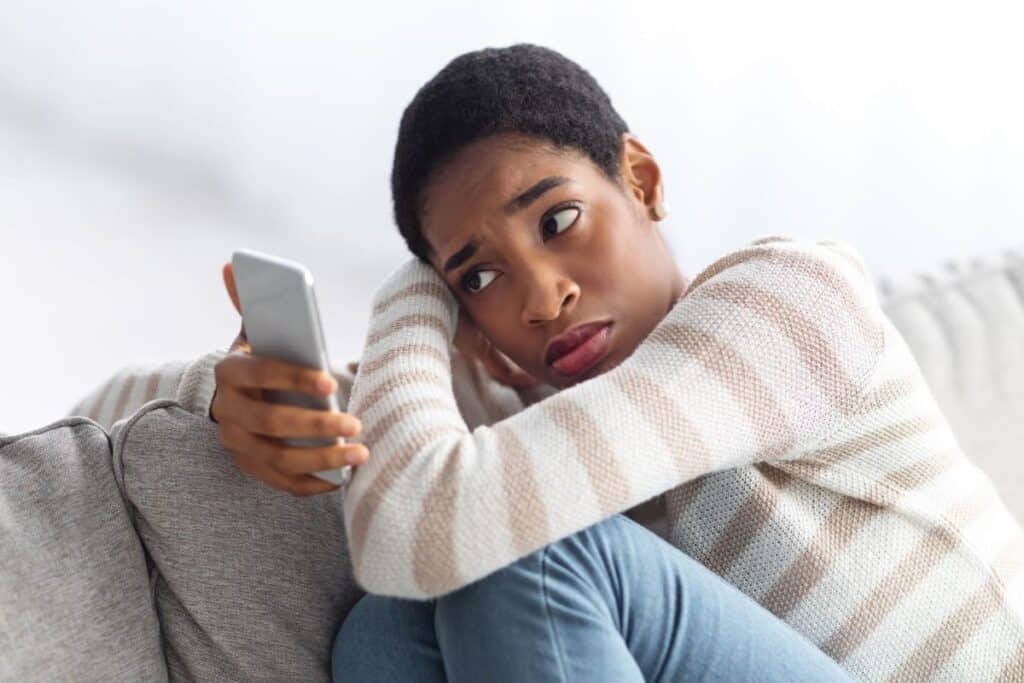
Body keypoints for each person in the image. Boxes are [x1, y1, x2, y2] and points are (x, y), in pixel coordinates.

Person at [211, 44, 1024, 681]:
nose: (541, 295)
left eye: (559, 219)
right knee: (385, 633)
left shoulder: (790, 296)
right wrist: (235, 401)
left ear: (640, 179)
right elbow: (139, 407)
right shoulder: (528, 417)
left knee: (531, 549)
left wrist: (409, 297)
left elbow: (412, 526)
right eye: (481, 276)